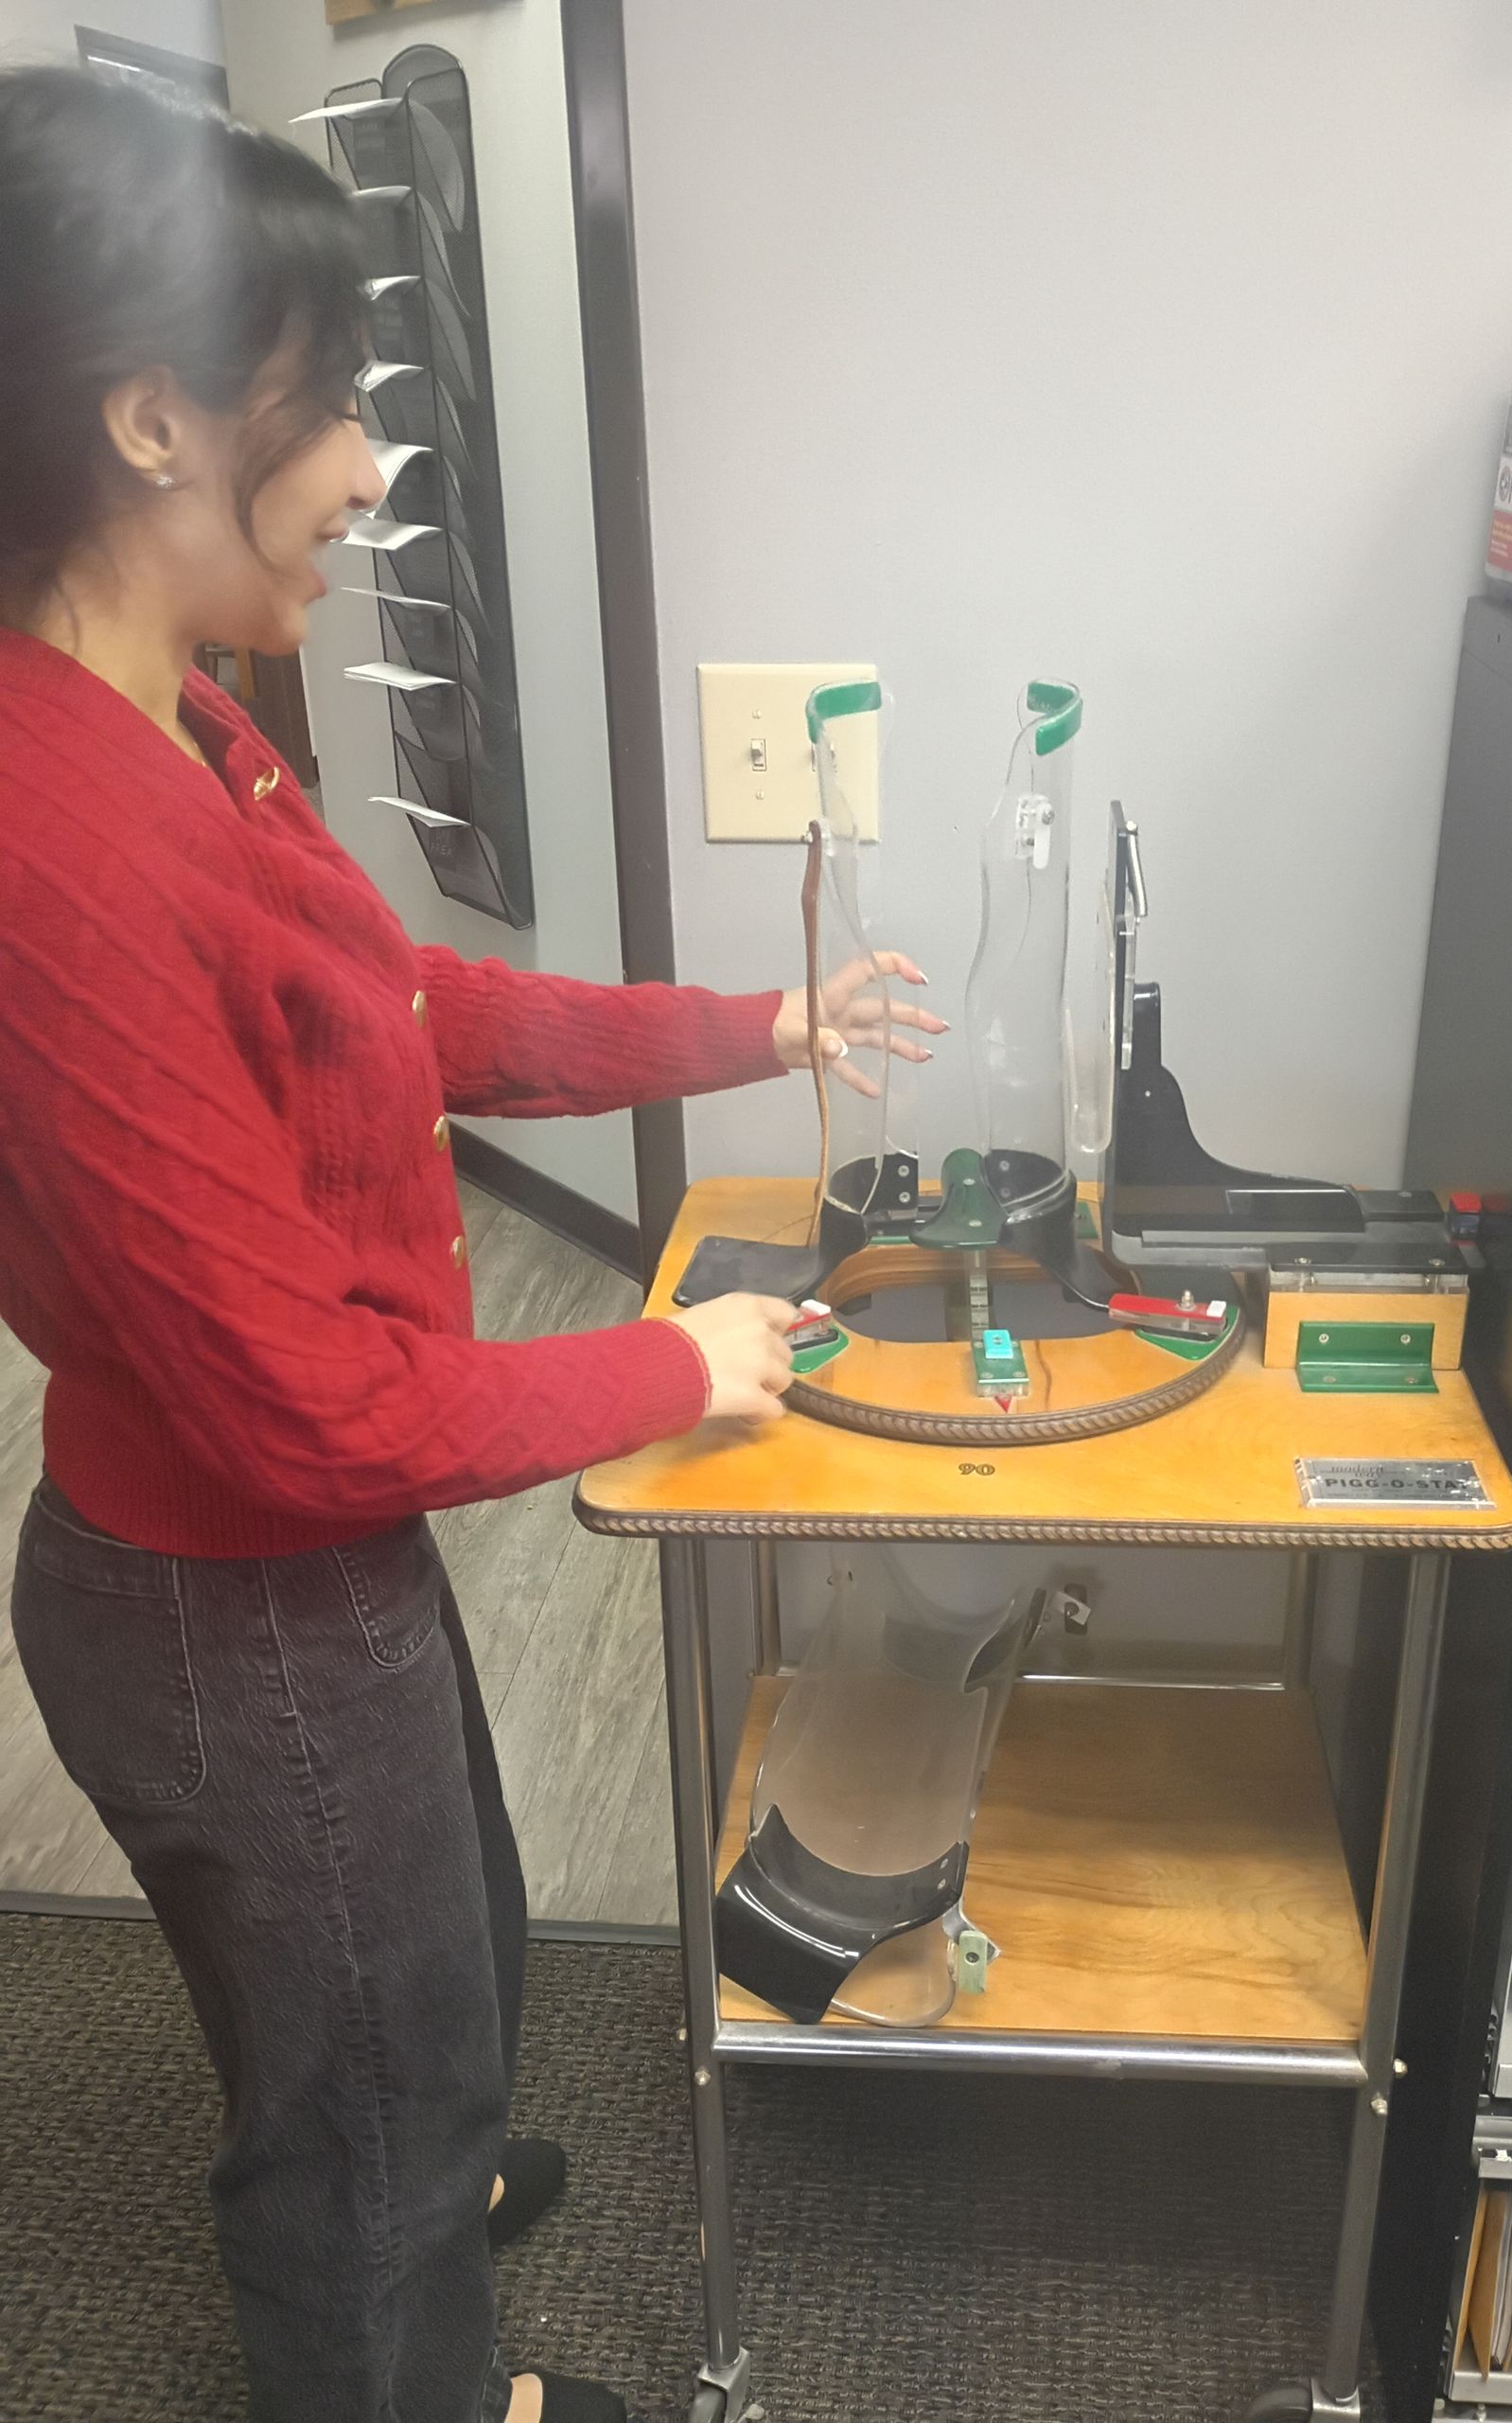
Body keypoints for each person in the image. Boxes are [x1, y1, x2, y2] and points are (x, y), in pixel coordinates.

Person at [0, 66, 940, 2423]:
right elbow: (309, 1406)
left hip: (287, 1563)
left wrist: (754, 1018)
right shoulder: (59, 839)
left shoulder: (178, 719)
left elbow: (407, 1009)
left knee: (438, 1989)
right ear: (149, 421)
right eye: (324, 417)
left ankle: (403, 2180)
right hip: (234, 1588)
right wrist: (676, 1364)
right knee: (370, 2130)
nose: (369, 473)